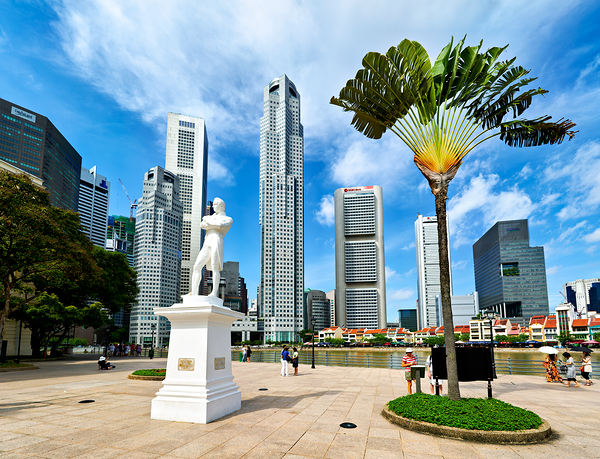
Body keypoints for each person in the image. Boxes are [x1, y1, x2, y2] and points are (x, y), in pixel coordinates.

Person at [189, 198, 233, 296]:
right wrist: (212, 223)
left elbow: (220, 225)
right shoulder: (212, 218)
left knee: (214, 267)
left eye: (216, 204)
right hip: (207, 241)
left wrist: (206, 219)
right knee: (197, 266)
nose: (213, 206)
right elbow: (202, 225)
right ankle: (194, 292)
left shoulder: (228, 219)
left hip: (217, 239)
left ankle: (214, 292)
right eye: (213, 204)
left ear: (222, 206)